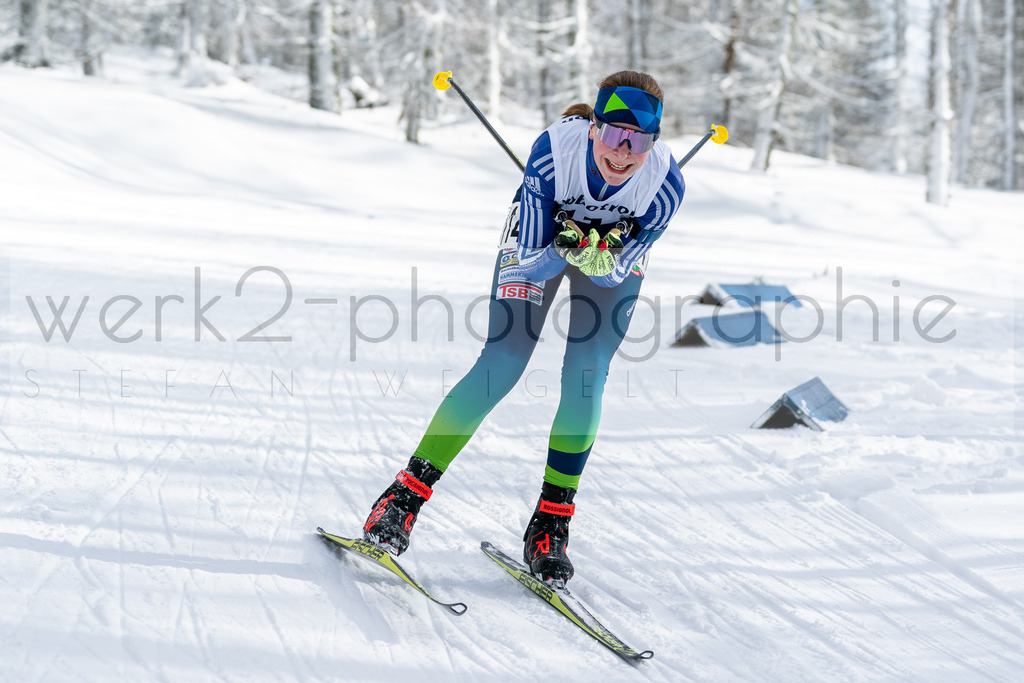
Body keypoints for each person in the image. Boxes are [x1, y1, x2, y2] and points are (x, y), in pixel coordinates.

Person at [360, 70, 685, 585]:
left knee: (586, 373)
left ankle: (551, 525)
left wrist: (609, 248)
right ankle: (402, 498)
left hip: (605, 259)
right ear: (593, 127)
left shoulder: (665, 185)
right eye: (613, 133)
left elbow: (620, 270)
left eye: (639, 140)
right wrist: (564, 243)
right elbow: (530, 262)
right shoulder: (554, 154)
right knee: (502, 363)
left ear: (655, 141)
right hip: (540, 244)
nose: (623, 152)